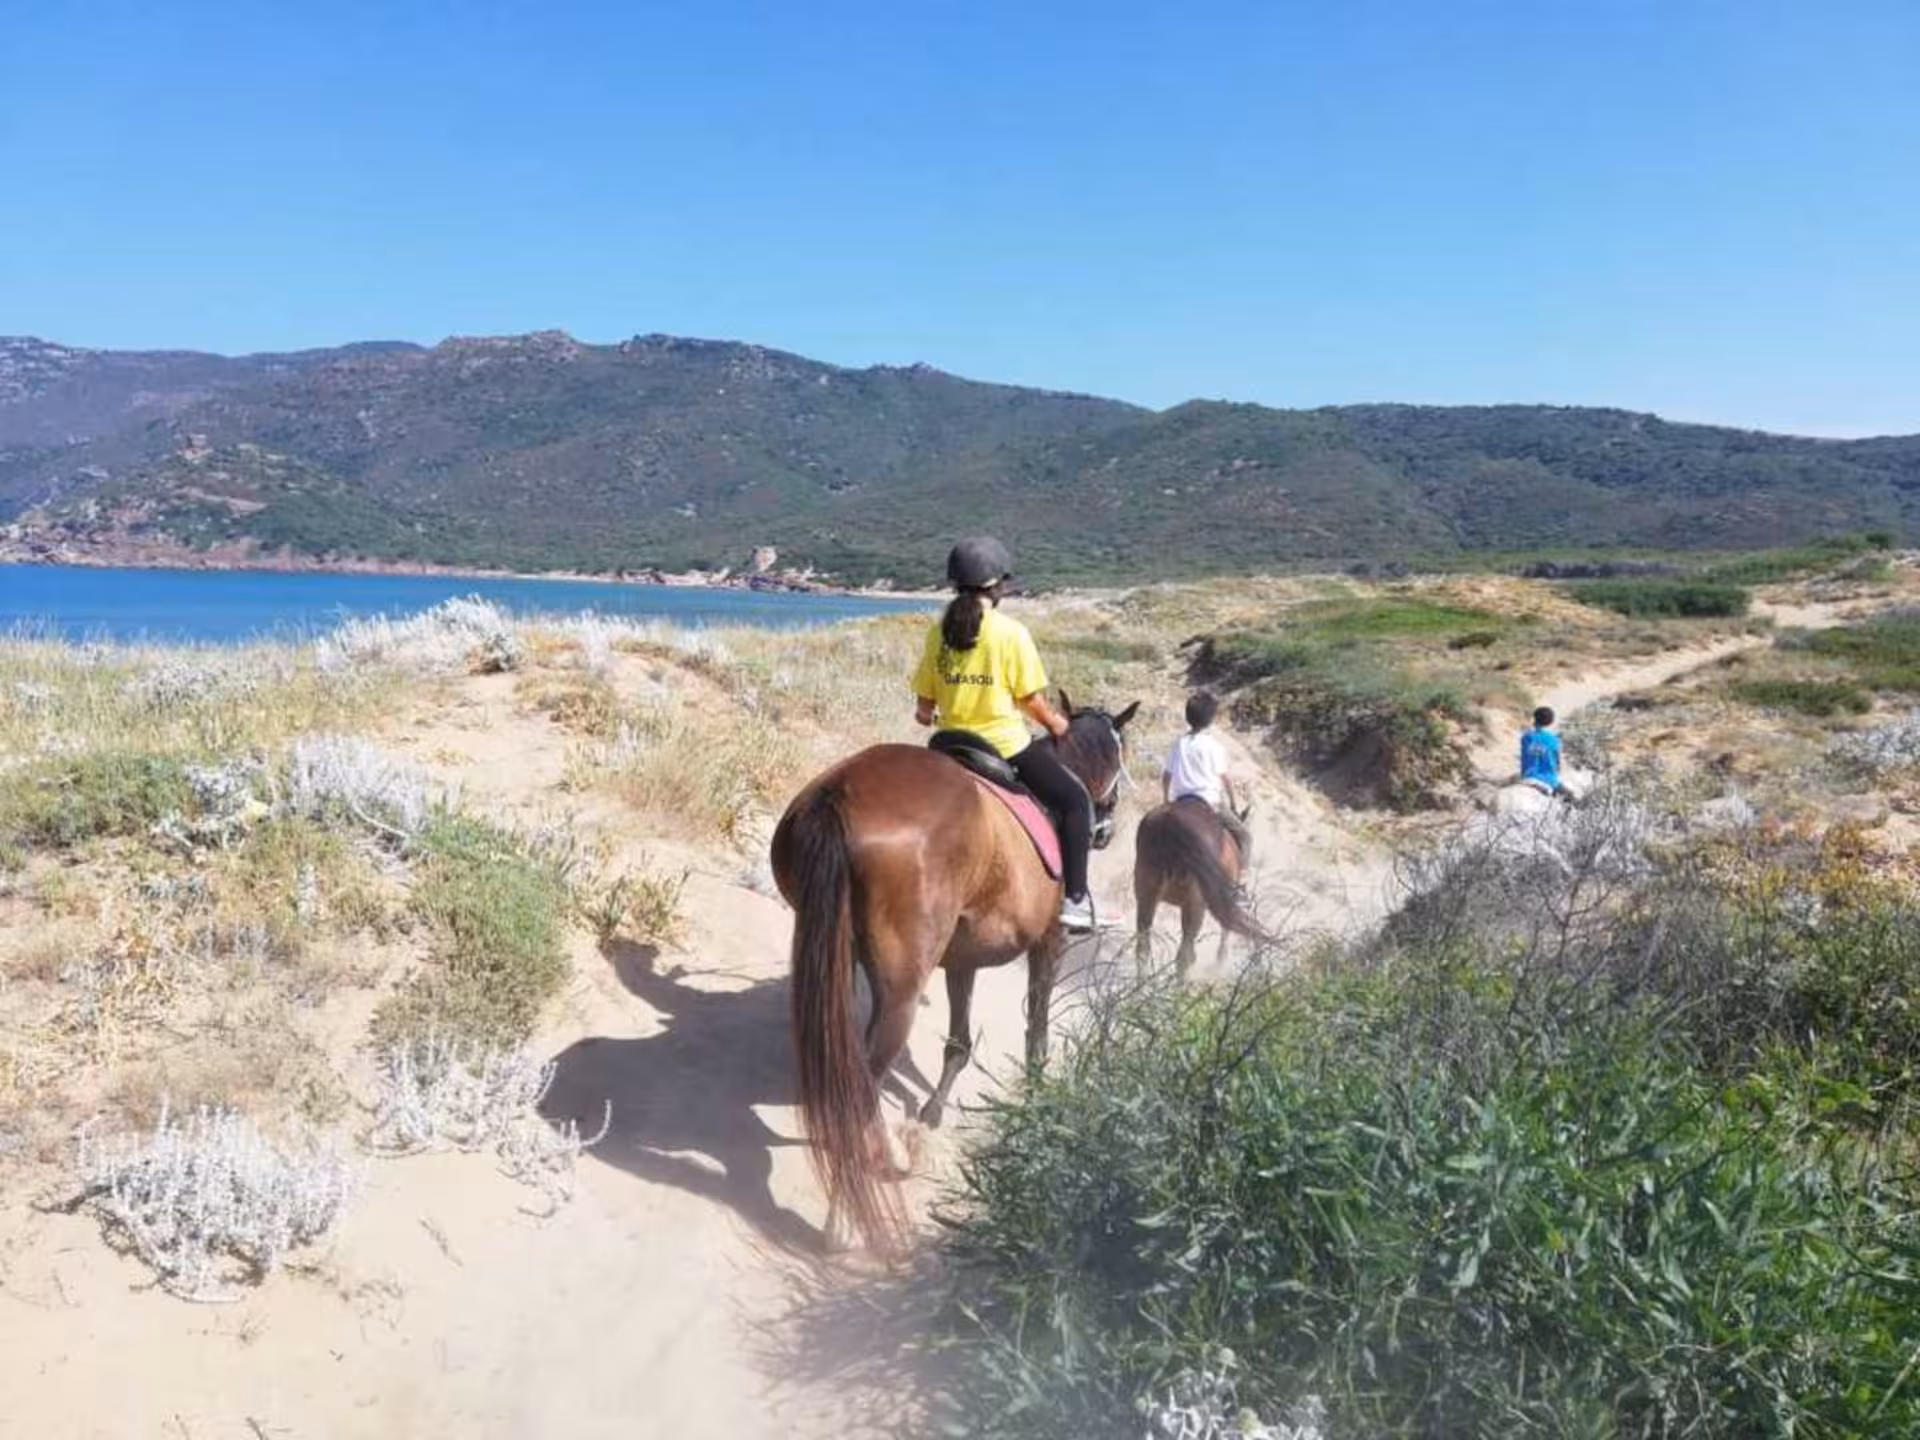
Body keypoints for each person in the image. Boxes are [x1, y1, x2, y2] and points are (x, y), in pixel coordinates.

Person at [913, 536, 1096, 932]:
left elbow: (923, 710)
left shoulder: (937, 632)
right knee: (1076, 801)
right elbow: (1030, 699)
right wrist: (1056, 724)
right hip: (1003, 747)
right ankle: (1075, 899)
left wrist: (935, 709)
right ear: (997, 585)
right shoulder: (1010, 633)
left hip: (947, 745)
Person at [1163, 690, 1253, 864]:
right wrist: (1233, 803)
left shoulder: (1177, 744)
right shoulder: (1214, 746)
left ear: (1188, 717)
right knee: (1244, 836)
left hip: (1180, 802)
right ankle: (1241, 880)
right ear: (1210, 720)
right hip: (1210, 803)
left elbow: (1166, 777)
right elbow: (1225, 779)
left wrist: (1166, 800)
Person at [1519, 705, 1572, 800]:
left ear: (1535, 719)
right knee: (1571, 798)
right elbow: (1557, 762)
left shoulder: (1526, 737)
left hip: (1527, 777)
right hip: (1547, 780)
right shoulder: (1554, 740)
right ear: (1551, 721)